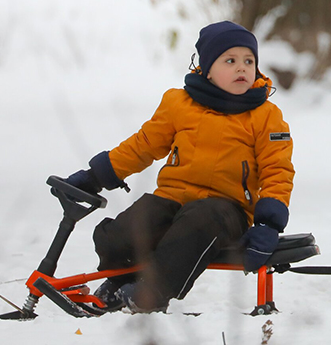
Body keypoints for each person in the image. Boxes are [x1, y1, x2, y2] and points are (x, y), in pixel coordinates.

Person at [62, 21, 294, 312]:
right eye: (230, 60)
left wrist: (268, 224)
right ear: (207, 69)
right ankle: (120, 278)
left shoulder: (265, 116)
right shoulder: (179, 104)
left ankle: (152, 293)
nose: (242, 68)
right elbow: (144, 145)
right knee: (126, 230)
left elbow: (278, 169)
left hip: (226, 209)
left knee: (198, 224)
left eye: (249, 61)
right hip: (173, 198)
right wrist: (97, 175)